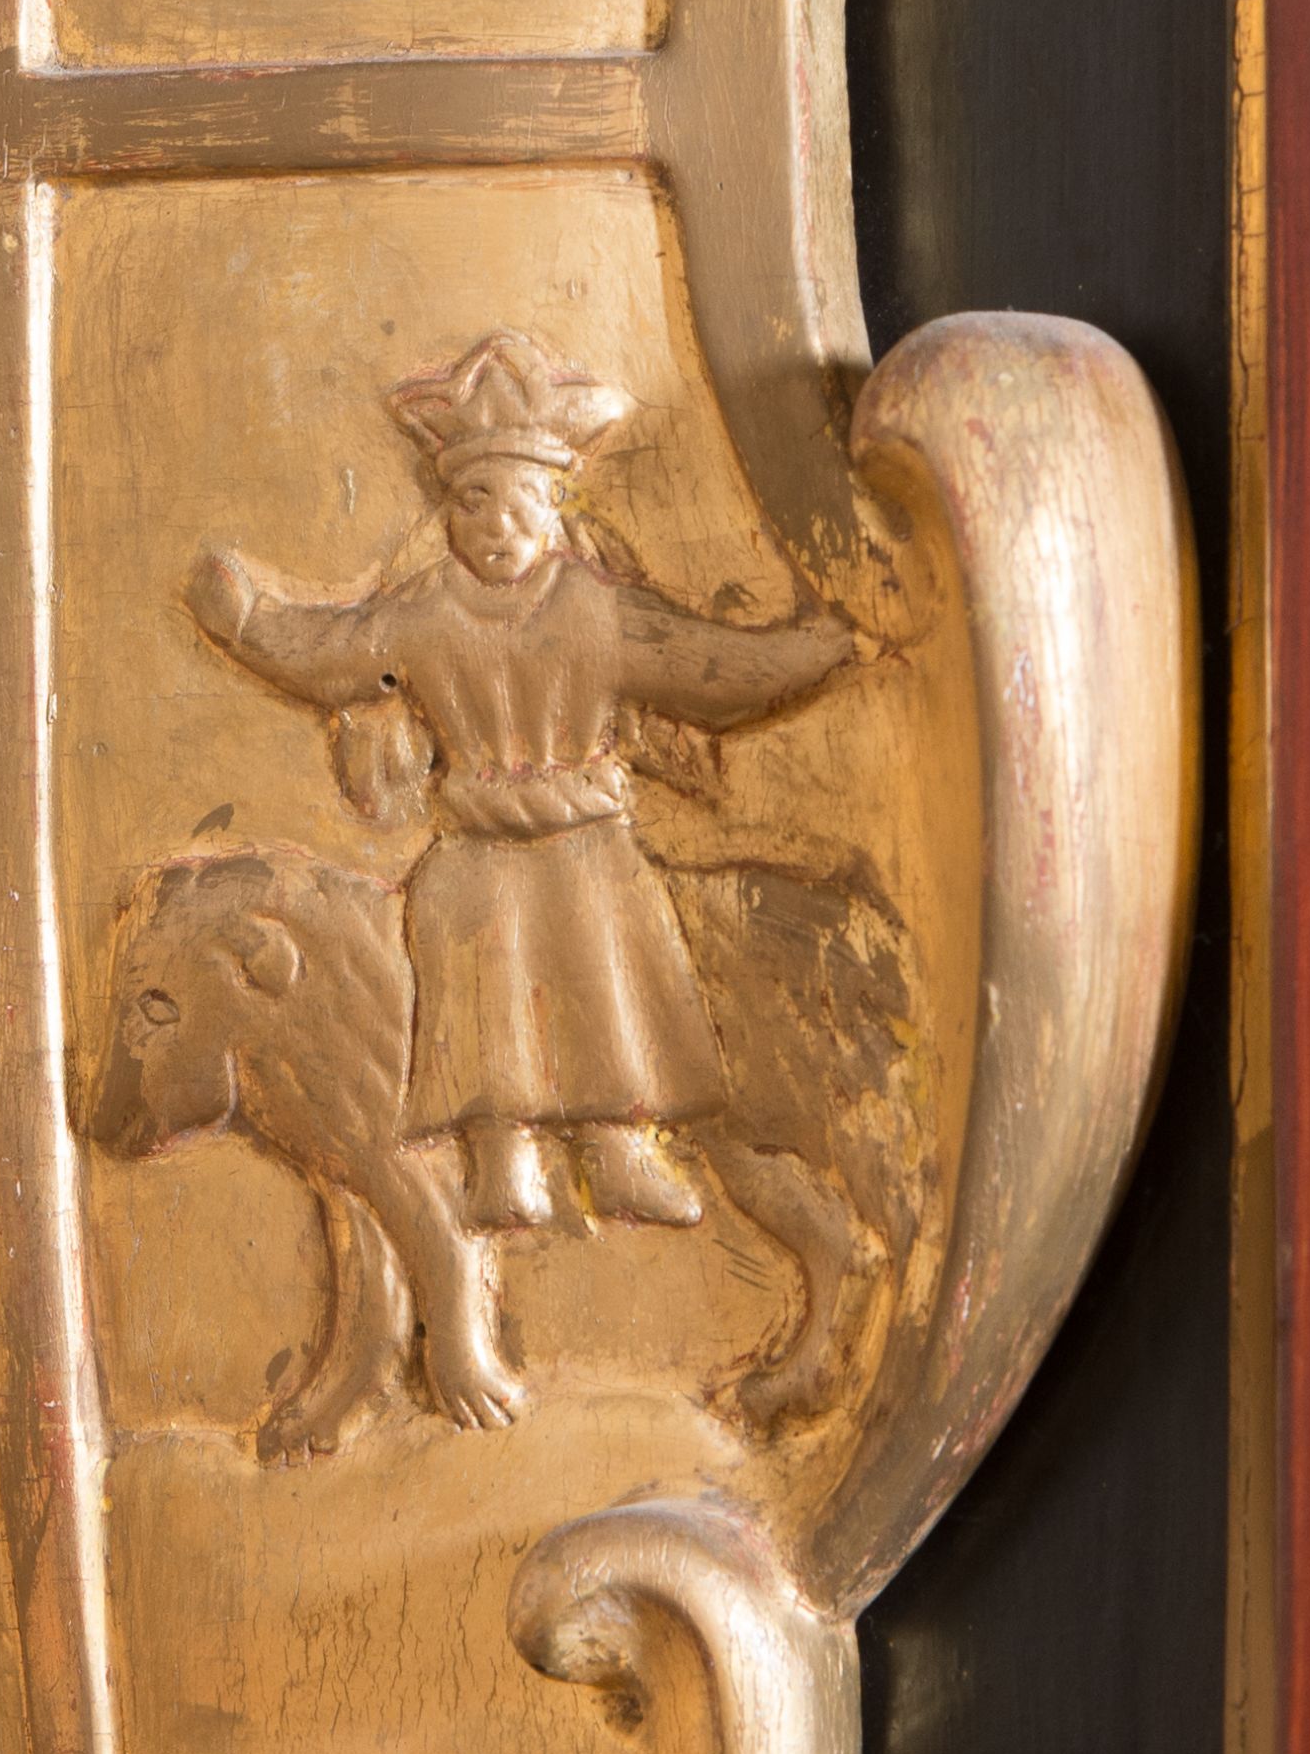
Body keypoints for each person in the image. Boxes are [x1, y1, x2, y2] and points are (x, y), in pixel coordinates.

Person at [185, 330, 854, 1235]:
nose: (495, 524)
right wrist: (248, 622)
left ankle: (619, 1150)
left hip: (588, 844)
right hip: (477, 849)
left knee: (605, 982)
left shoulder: (596, 610)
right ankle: (502, 1160)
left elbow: (713, 669)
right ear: (448, 513)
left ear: (553, 509)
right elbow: (331, 652)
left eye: (517, 501)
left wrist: (811, 649)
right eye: (474, 501)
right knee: (484, 1003)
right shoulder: (423, 614)